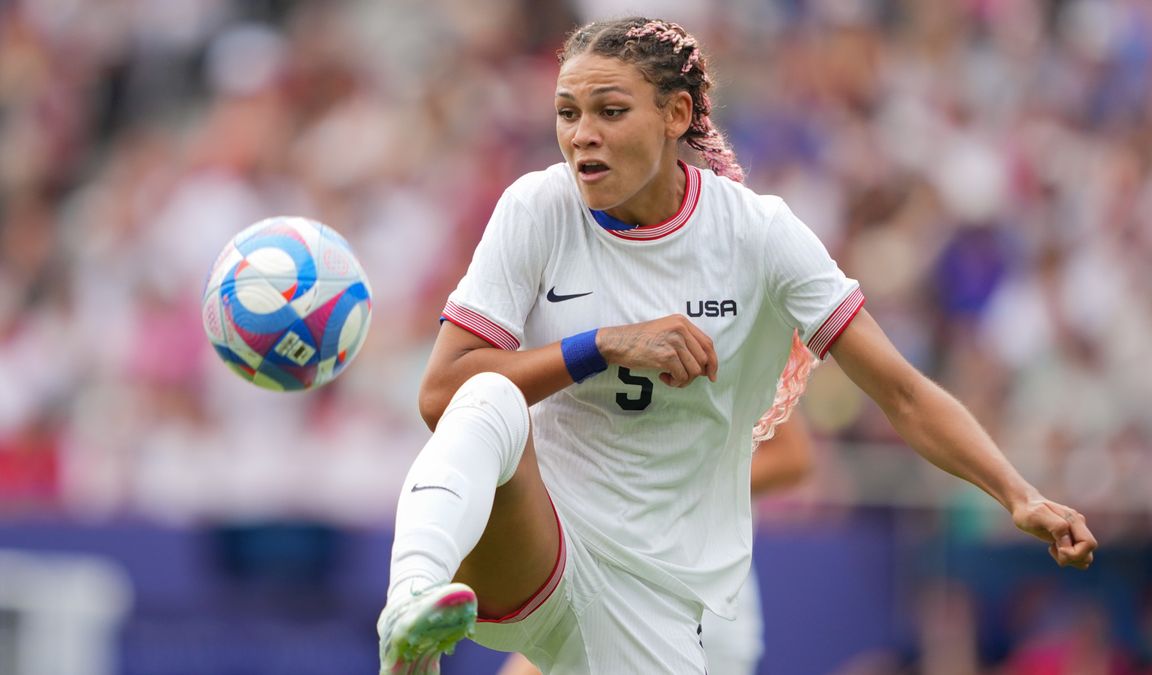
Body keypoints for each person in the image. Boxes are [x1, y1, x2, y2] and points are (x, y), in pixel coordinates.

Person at [376, 16, 1098, 675]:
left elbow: (902, 393)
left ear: (676, 115)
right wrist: (600, 345)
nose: (581, 134)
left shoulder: (757, 234)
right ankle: (410, 603)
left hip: (658, 596)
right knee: (489, 394)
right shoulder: (537, 207)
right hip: (542, 547)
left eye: (610, 111)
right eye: (568, 113)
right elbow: (443, 392)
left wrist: (1018, 493)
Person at [497, 339, 818, 675]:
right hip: (601, 582)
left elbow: (792, 457)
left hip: (694, 598)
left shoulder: (719, 321)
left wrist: (661, 486)